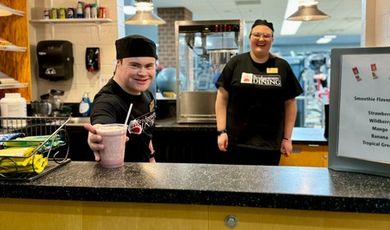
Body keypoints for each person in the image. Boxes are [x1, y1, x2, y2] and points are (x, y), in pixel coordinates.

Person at [215, 19, 303, 165]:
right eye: (257, 35)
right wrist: (221, 131)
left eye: (266, 36)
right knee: (237, 185)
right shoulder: (236, 63)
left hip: (270, 145)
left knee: (267, 186)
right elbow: (222, 97)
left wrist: (287, 138)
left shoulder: (282, 66)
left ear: (272, 40)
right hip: (236, 142)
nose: (261, 39)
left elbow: (290, 103)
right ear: (250, 37)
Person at [84, 34, 157, 163]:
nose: (143, 73)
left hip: (145, 175)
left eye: (149, 66)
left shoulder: (147, 95)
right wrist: (96, 137)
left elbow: (146, 136)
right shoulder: (108, 100)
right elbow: (101, 125)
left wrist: (151, 159)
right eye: (134, 65)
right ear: (118, 63)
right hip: (117, 179)